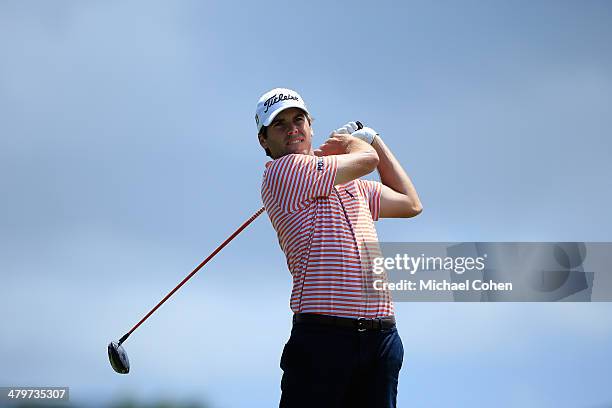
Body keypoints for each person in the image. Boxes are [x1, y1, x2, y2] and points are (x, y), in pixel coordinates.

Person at [256, 88, 422, 408]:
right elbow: (367, 160)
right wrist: (353, 142)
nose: (292, 127)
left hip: (381, 337)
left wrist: (374, 137)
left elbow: (410, 203)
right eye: (279, 124)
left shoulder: (347, 183)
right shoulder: (283, 171)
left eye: (299, 119)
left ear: (310, 126)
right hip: (323, 338)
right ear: (264, 141)